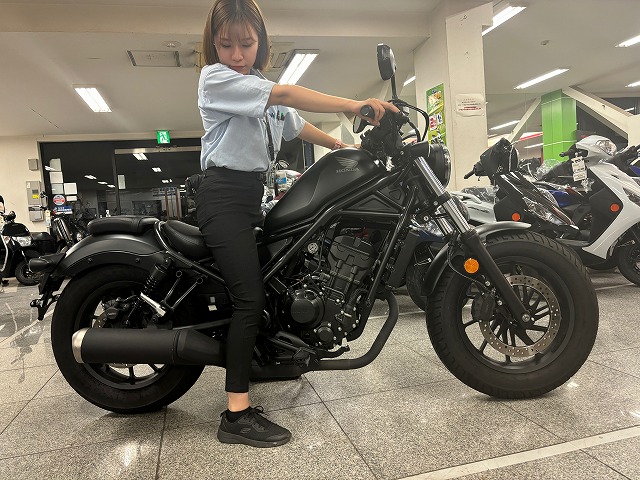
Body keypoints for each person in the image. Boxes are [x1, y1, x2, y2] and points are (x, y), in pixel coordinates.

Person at [196, 0, 398, 448]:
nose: (236, 54)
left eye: (246, 43)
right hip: (223, 198)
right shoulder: (216, 80)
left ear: (260, 43)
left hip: (247, 198)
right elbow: (286, 96)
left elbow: (296, 124)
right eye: (226, 44)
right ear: (213, 45)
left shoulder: (257, 87)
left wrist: (342, 149)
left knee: (277, 278)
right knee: (249, 300)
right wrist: (355, 105)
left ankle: (269, 356)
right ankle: (235, 415)